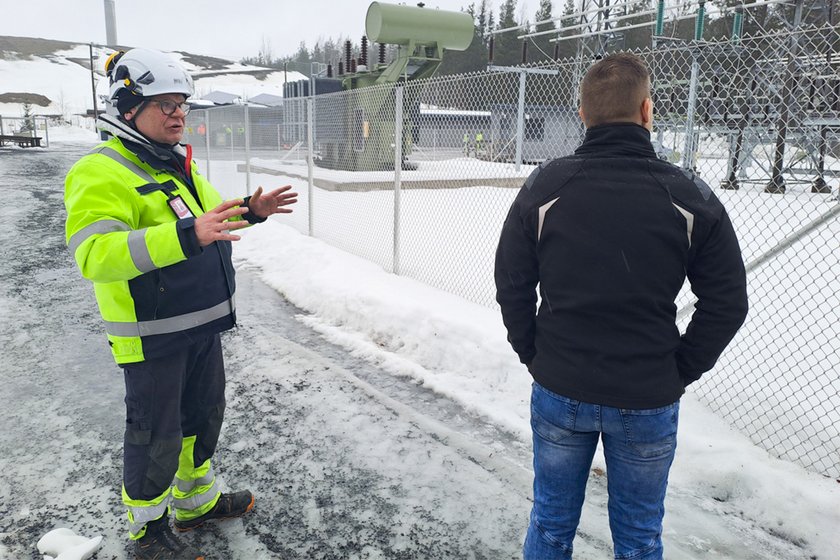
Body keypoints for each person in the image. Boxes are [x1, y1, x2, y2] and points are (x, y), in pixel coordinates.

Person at [494, 52, 748, 560]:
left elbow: (511, 282)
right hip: (647, 395)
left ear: (583, 114)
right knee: (638, 536)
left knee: (550, 525)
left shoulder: (546, 186)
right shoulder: (689, 195)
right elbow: (727, 302)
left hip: (561, 387)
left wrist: (534, 354)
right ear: (647, 112)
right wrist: (677, 369)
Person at [64, 48, 298, 560]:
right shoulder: (99, 171)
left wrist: (250, 211)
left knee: (201, 417)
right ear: (128, 109)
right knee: (155, 435)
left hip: (201, 323)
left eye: (182, 104)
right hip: (151, 335)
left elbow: (210, 220)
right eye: (163, 103)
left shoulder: (175, 164)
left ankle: (196, 504)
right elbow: (94, 255)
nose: (177, 113)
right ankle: (148, 533)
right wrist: (187, 233)